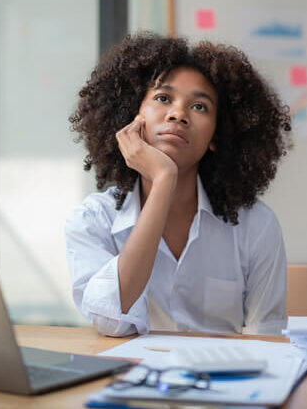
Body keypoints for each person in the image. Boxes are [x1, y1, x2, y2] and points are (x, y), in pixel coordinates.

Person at [66, 33, 292, 336]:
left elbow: (267, 338)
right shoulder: (93, 219)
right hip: (128, 377)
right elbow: (110, 320)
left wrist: (162, 178)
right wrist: (163, 181)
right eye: (162, 98)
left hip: (224, 379)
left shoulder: (256, 225)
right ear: (132, 117)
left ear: (216, 136)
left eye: (199, 107)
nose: (178, 114)